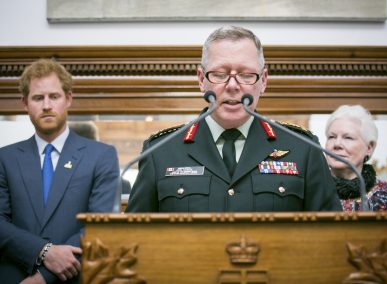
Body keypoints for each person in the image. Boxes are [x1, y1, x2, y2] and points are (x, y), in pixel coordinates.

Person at [125, 26, 341, 213]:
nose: (232, 85)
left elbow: (332, 237)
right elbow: (135, 240)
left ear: (263, 80)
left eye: (246, 75)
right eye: (220, 74)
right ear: (202, 80)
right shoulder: (161, 151)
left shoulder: (303, 148)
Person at [0, 59, 120, 283]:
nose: (46, 105)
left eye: (54, 96)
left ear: (68, 99)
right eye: (38, 98)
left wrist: (42, 278)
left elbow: (101, 226)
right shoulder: (4, 159)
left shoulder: (101, 156)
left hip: (75, 277)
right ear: (25, 103)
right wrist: (43, 251)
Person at [325, 104, 387, 211]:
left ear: (369, 148)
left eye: (348, 137)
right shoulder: (311, 189)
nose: (337, 144)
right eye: (331, 137)